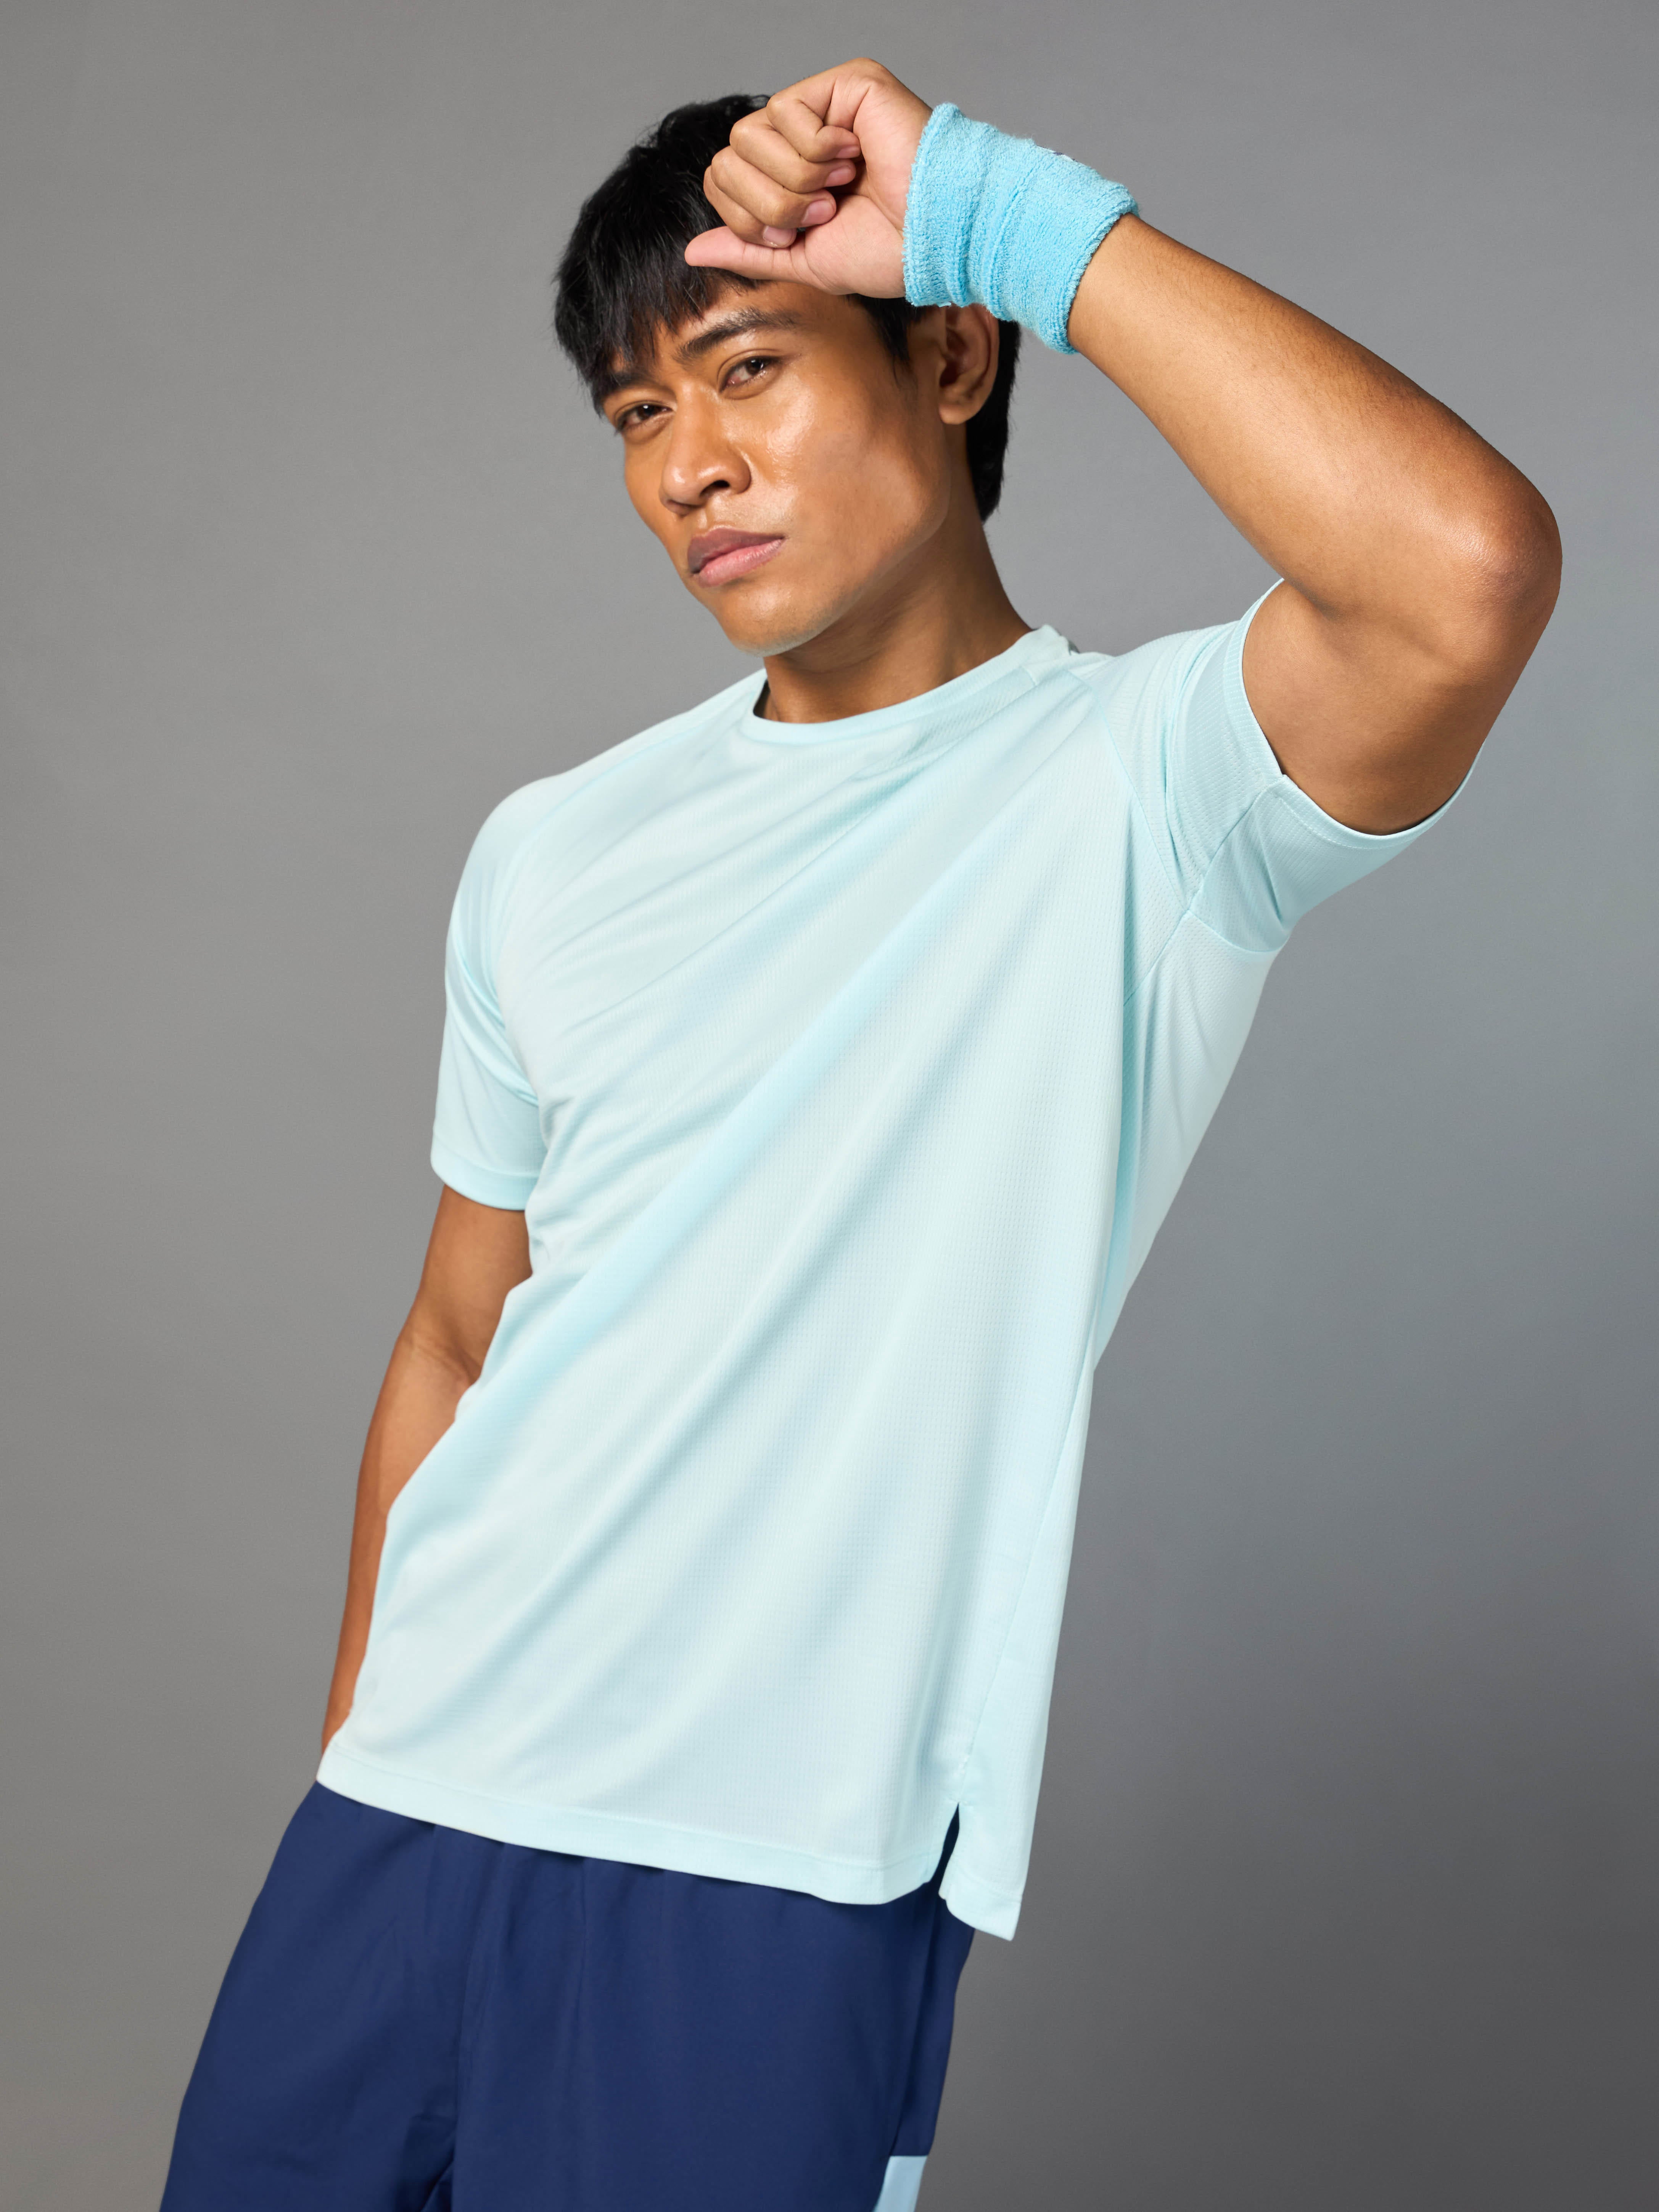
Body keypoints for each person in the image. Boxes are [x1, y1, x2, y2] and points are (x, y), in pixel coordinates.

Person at [158, 56, 1559, 2212]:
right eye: (638, 412)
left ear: (950, 355)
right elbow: (456, 1332)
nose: (687, 467)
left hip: (773, 1872)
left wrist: (996, 210)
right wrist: (363, 1759)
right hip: (399, 1829)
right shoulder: (552, 849)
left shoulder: (1144, 792)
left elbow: (1459, 571)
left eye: (746, 369)